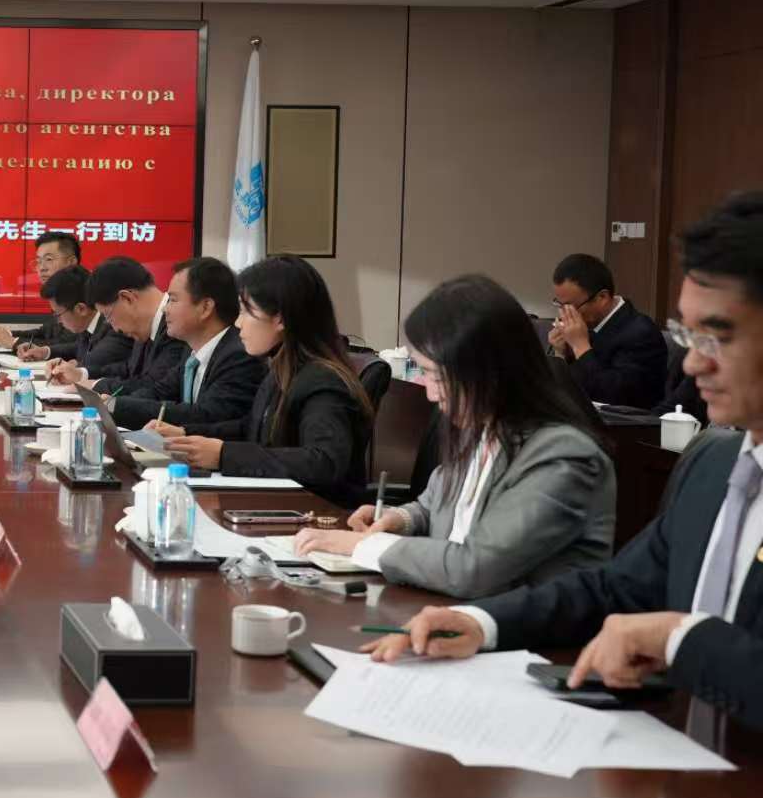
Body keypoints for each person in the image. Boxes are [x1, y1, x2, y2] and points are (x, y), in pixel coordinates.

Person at [371, 192, 763, 728]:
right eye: (687, 336)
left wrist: (681, 638)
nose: (693, 364)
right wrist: (481, 621)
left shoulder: (565, 450)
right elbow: (614, 588)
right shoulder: (714, 467)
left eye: (717, 337)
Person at [291, 274, 615, 599]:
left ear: (488, 372)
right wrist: (398, 518)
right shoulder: (480, 429)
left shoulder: (564, 458)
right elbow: (434, 504)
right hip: (446, 609)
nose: (431, 394)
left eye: (437, 376)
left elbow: (475, 568)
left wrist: (366, 546)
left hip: (514, 627)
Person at [153, 255, 374, 506]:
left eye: (246, 311)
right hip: (281, 507)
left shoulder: (323, 381)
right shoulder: (282, 368)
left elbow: (323, 461)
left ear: (280, 319)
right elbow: (253, 428)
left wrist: (224, 455)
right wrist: (187, 434)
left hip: (319, 515)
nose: (238, 323)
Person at [109, 256, 265, 431]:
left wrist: (115, 406)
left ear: (205, 308)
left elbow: (206, 415)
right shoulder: (191, 352)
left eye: (173, 300)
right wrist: (112, 403)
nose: (165, 309)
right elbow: (158, 392)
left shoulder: (239, 356)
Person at [49, 254, 185, 398]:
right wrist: (80, 374)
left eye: (108, 316)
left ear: (127, 299)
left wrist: (95, 385)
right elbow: (128, 369)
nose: (115, 329)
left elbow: (154, 386)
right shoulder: (145, 326)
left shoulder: (177, 326)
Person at [549, 252, 669, 409]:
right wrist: (561, 354)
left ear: (602, 298)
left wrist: (580, 347)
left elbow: (612, 396)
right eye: (560, 305)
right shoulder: (583, 326)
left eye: (570, 307)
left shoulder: (641, 333)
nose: (564, 314)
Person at [0, 230, 80, 360]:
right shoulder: (58, 294)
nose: (42, 268)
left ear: (71, 262)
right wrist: (6, 333)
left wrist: (13, 341)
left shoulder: (83, 296)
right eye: (39, 261)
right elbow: (45, 333)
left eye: (49, 259)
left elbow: (68, 345)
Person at [37, 264, 132, 379]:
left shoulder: (114, 327)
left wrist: (72, 366)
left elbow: (93, 362)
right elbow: (77, 348)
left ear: (81, 309)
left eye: (58, 314)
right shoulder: (88, 325)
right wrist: (45, 351)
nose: (58, 321)